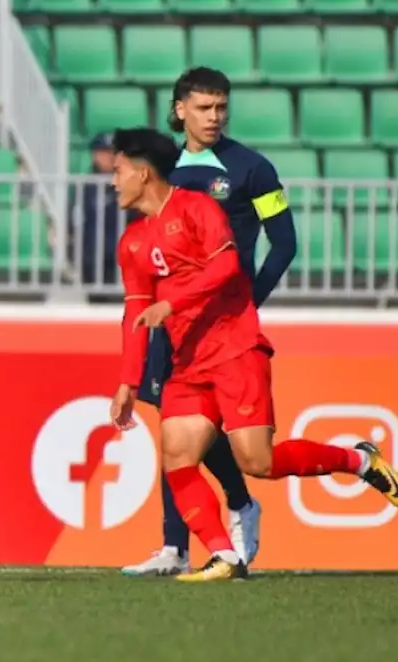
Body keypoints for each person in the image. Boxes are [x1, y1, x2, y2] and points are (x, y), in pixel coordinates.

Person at [108, 128, 398, 582]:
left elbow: (226, 267)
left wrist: (174, 301)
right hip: (187, 364)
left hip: (234, 348)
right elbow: (134, 315)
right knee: (177, 458)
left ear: (143, 173)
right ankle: (224, 555)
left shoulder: (198, 208)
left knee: (257, 463)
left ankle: (359, 460)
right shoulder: (131, 242)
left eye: (118, 170)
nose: (112, 180)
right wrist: (128, 381)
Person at [122, 67, 300, 577]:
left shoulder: (252, 169)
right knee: (174, 432)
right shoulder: (158, 169)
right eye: (204, 108)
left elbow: (284, 243)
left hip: (226, 327)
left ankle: (241, 504)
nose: (214, 117)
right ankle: (174, 547)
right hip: (172, 324)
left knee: (222, 435)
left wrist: (251, 301)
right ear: (180, 110)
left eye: (221, 107)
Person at [73, 131, 122, 286]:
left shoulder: (129, 185)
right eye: (102, 153)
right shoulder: (85, 186)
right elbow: (74, 219)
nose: (107, 158)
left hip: (120, 259)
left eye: (111, 153)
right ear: (94, 155)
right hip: (91, 257)